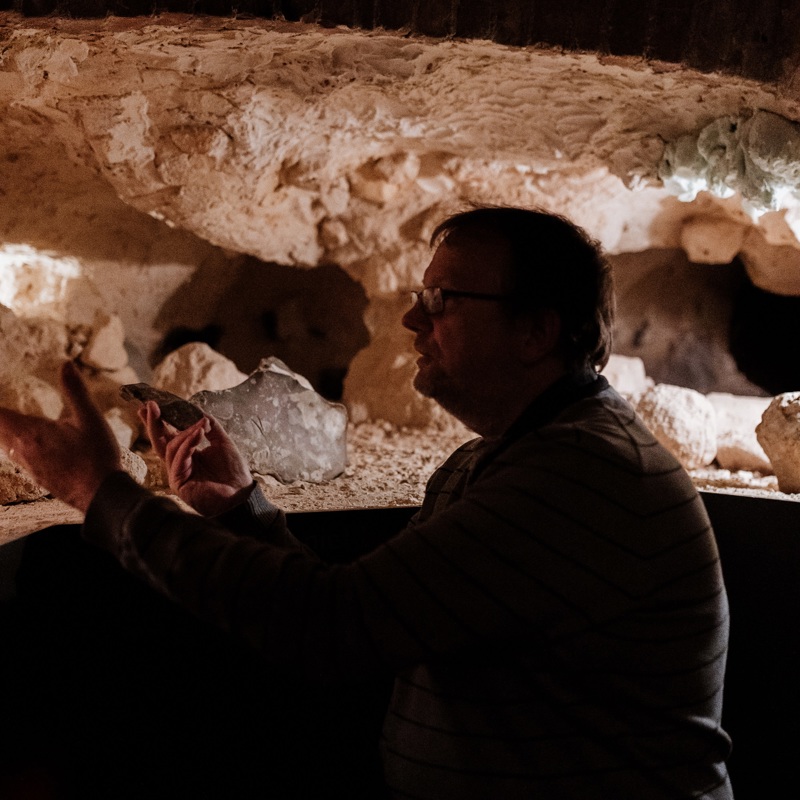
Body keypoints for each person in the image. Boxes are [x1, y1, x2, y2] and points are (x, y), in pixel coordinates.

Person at [0, 207, 733, 799]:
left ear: (537, 330)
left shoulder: (577, 478)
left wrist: (102, 494)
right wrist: (241, 508)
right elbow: (386, 625)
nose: (415, 322)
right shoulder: (495, 460)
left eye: (443, 301)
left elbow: (333, 627)